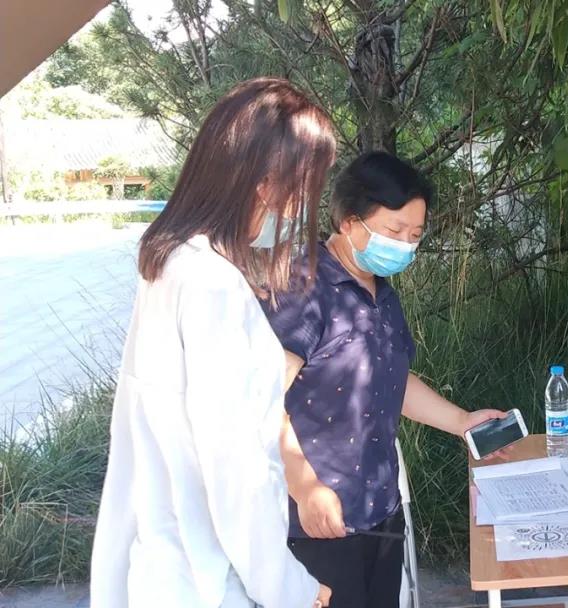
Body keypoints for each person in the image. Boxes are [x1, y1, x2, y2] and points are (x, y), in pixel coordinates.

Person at [90, 78, 337, 608]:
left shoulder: (169, 264)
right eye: (305, 186)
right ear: (266, 184)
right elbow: (237, 469)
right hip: (210, 576)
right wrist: (291, 588)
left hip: (160, 567)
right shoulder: (213, 285)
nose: (302, 207)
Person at [263, 151, 507, 608]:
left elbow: (391, 379)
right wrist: (304, 486)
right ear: (349, 221)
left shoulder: (381, 292)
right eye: (394, 231)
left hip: (379, 506)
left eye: (415, 235)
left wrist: (462, 422)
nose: (405, 246)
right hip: (316, 520)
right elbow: (261, 400)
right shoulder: (303, 290)